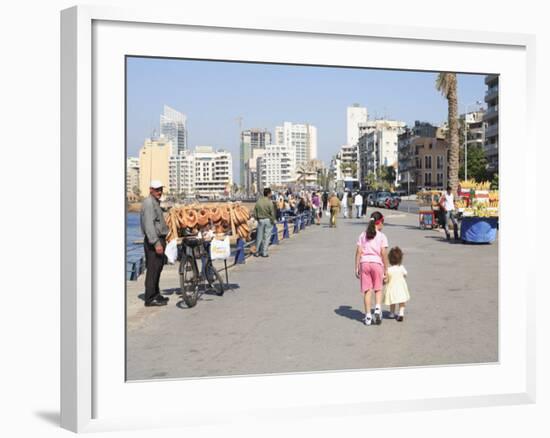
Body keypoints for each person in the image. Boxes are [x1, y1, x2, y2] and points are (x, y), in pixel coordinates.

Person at [355, 211, 389, 325]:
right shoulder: (382, 236)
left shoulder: (362, 235)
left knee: (367, 291)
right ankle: (378, 308)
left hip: (364, 264)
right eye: (383, 223)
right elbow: (383, 253)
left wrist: (356, 267)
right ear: (379, 223)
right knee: (378, 288)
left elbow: (359, 251)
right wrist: (386, 269)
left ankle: (368, 316)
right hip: (377, 264)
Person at [140, 180, 170, 307]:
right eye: (157, 189)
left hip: (159, 239)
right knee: (153, 269)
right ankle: (150, 298)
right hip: (154, 241)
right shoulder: (148, 203)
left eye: (161, 189)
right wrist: (156, 243)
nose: (159, 192)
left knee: (158, 268)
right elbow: (149, 225)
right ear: (150, 189)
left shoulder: (155, 202)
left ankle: (156, 294)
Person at [383, 247, 411, 321]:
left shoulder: (389, 270)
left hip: (392, 287)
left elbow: (386, 279)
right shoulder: (401, 267)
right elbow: (405, 274)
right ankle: (401, 313)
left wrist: (384, 281)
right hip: (401, 287)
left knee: (393, 301)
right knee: (402, 300)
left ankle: (392, 313)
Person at [253, 187, 277, 257]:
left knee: (259, 236)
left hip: (260, 220)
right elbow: (272, 213)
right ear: (269, 194)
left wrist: (257, 218)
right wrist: (273, 220)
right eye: (271, 193)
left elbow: (255, 212)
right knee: (266, 237)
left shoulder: (259, 201)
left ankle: (257, 252)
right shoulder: (270, 202)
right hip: (268, 220)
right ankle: (264, 252)